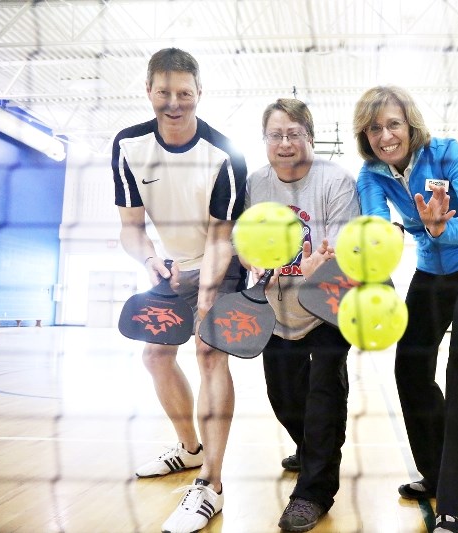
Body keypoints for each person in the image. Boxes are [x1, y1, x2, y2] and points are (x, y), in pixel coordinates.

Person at [352, 86, 458, 533]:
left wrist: (440, 227)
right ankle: (437, 472)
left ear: (410, 124)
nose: (385, 135)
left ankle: (455, 504)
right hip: (430, 275)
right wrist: (375, 269)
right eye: (375, 128)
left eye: (393, 124)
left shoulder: (446, 153)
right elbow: (377, 233)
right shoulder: (372, 175)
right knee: (410, 368)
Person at [112, 48, 247, 533]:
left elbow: (220, 236)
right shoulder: (128, 145)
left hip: (221, 260)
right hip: (169, 267)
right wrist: (147, 259)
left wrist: (208, 290)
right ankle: (189, 451)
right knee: (155, 356)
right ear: (149, 91)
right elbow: (131, 226)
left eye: (184, 94)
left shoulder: (224, 153)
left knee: (209, 352)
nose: (174, 103)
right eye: (164, 93)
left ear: (199, 94)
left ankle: (211, 484)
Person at [244, 98, 359, 532]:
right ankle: (313, 449)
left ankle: (313, 491)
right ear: (266, 141)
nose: (286, 143)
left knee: (322, 396)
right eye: (277, 135)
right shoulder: (255, 184)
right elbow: (245, 239)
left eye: (294, 134)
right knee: (283, 396)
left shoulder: (335, 181)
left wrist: (324, 264)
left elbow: (346, 247)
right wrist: (250, 259)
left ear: (310, 137)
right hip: (278, 309)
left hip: (329, 304)